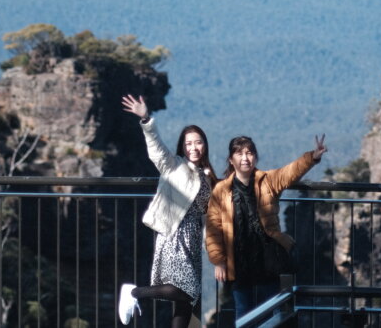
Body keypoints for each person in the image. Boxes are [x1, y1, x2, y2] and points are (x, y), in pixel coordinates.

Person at [118, 94, 218, 327]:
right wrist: (146, 120)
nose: (194, 147)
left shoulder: (209, 176)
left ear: (205, 145)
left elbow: (209, 212)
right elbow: (156, 149)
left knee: (186, 302)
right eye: (189, 143)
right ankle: (134, 293)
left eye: (198, 142)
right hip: (174, 234)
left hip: (192, 239)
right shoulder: (174, 165)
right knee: (186, 290)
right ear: (183, 146)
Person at [205, 134, 327, 320]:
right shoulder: (221, 190)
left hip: (267, 260)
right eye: (239, 153)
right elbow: (213, 228)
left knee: (272, 313)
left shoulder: (268, 180)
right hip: (239, 263)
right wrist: (218, 261)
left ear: (256, 156)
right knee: (244, 314)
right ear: (231, 159)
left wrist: (313, 156)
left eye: (250, 153)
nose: (245, 158)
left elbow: (291, 171)